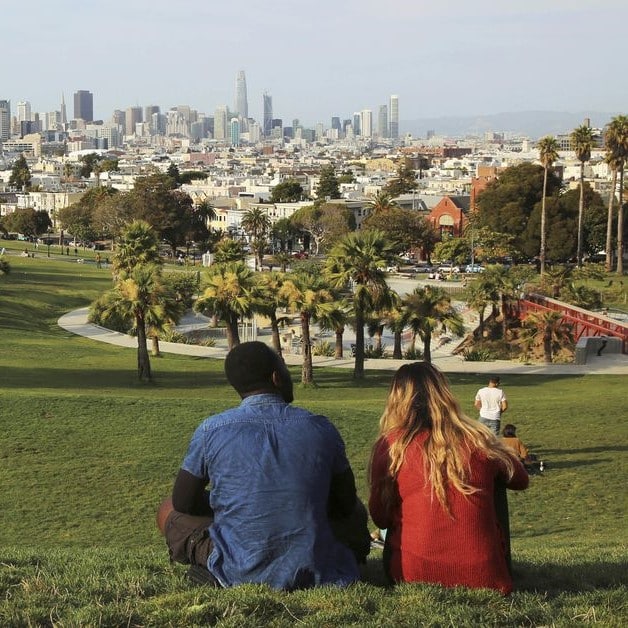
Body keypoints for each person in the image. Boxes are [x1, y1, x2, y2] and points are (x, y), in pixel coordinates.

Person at [157, 341, 369, 590]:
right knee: (357, 511)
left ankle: (215, 566)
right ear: (276, 377)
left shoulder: (212, 430)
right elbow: (345, 504)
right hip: (315, 566)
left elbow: (183, 502)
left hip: (239, 567)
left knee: (167, 508)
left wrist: (233, 501)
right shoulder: (321, 427)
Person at [369, 362, 528, 594]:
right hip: (485, 577)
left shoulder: (391, 446)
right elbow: (520, 479)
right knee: (494, 480)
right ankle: (483, 556)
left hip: (411, 573)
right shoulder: (478, 439)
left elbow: (380, 518)